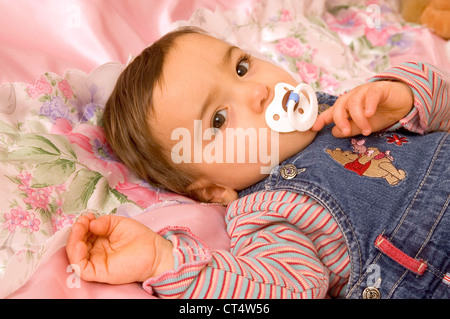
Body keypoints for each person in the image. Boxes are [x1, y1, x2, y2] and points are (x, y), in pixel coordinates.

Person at [66, 27, 450, 299]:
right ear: (213, 189)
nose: (257, 91)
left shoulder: (346, 105)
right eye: (218, 119)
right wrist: (160, 260)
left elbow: (442, 105)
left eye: (241, 68)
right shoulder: (265, 212)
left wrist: (401, 95)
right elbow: (284, 290)